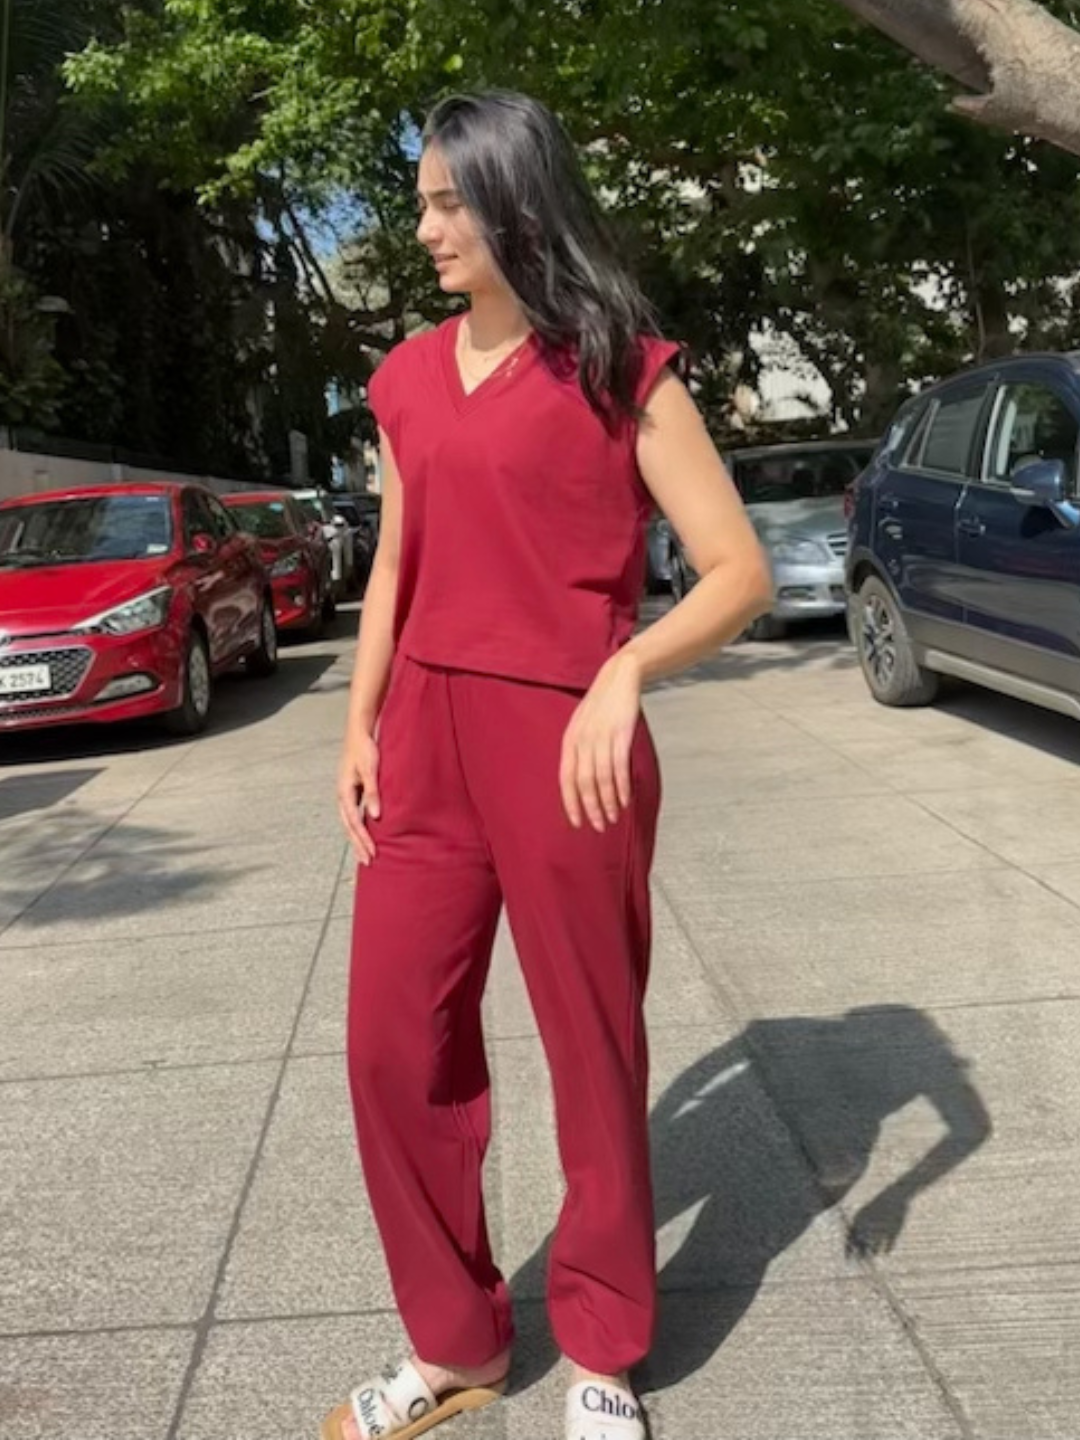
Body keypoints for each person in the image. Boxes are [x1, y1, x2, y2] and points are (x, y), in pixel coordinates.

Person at [327, 90, 772, 1440]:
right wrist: (357, 723)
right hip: (426, 740)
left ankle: (600, 1348)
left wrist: (625, 671)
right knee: (390, 1045)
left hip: (570, 744)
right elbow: (396, 564)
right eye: (417, 201)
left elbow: (738, 571)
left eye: (443, 200)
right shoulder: (404, 378)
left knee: (590, 1046)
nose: (422, 227)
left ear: (513, 196)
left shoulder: (620, 366)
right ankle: (455, 1343)